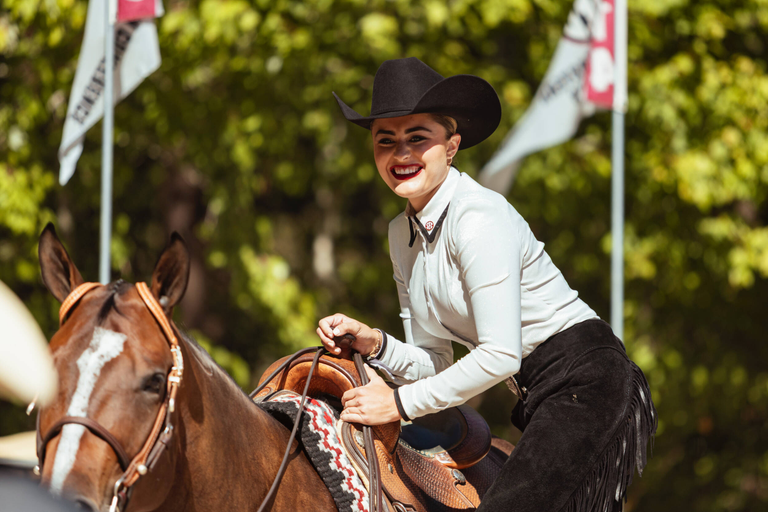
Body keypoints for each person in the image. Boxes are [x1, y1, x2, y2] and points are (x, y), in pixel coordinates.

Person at [316, 57, 656, 512]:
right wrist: (376, 344)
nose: (401, 154)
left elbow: (499, 354)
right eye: (386, 141)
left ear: (452, 146)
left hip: (587, 380)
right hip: (537, 391)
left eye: (418, 138)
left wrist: (396, 404)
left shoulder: (479, 217)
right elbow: (435, 362)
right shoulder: (401, 235)